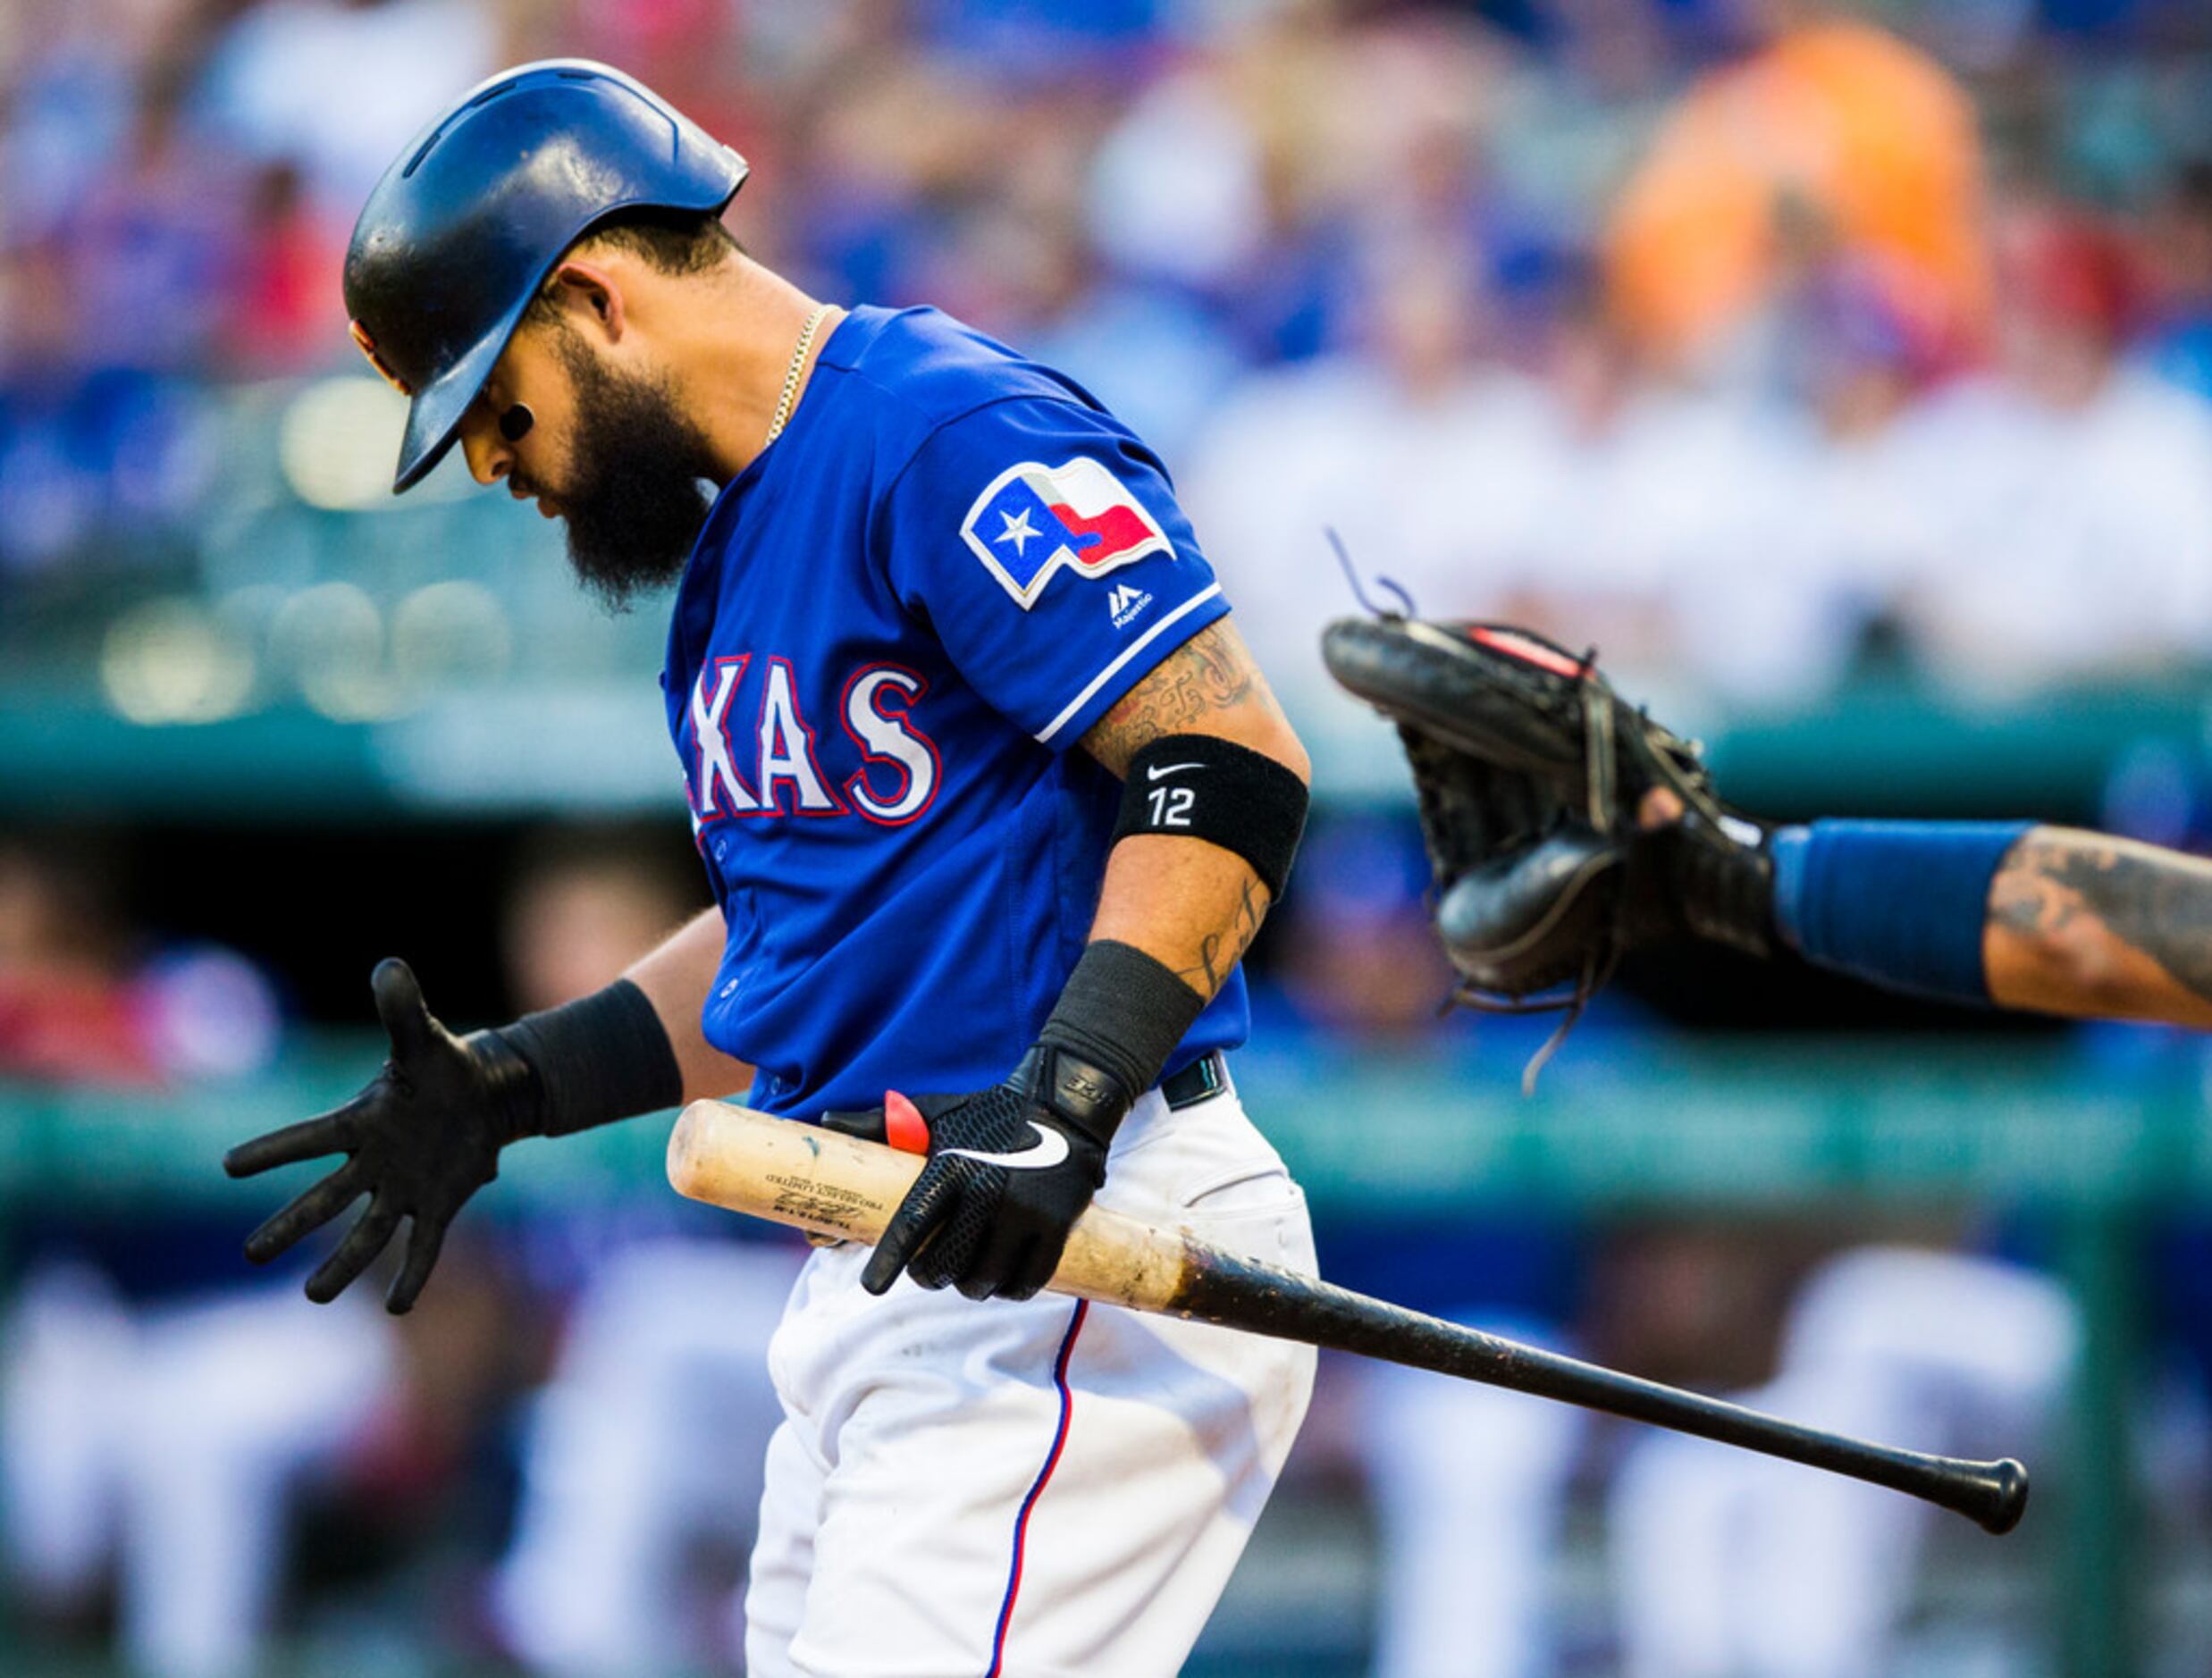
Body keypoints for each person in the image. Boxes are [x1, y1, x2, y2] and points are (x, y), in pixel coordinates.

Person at [222, 60, 1318, 1676]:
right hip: (897, 1270)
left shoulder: (940, 428)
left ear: (592, 297)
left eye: (498, 407)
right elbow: (797, 945)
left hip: (1078, 1232)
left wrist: (1068, 1096)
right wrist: (514, 1082)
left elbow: (1226, 759)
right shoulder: (736, 557)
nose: (491, 467)